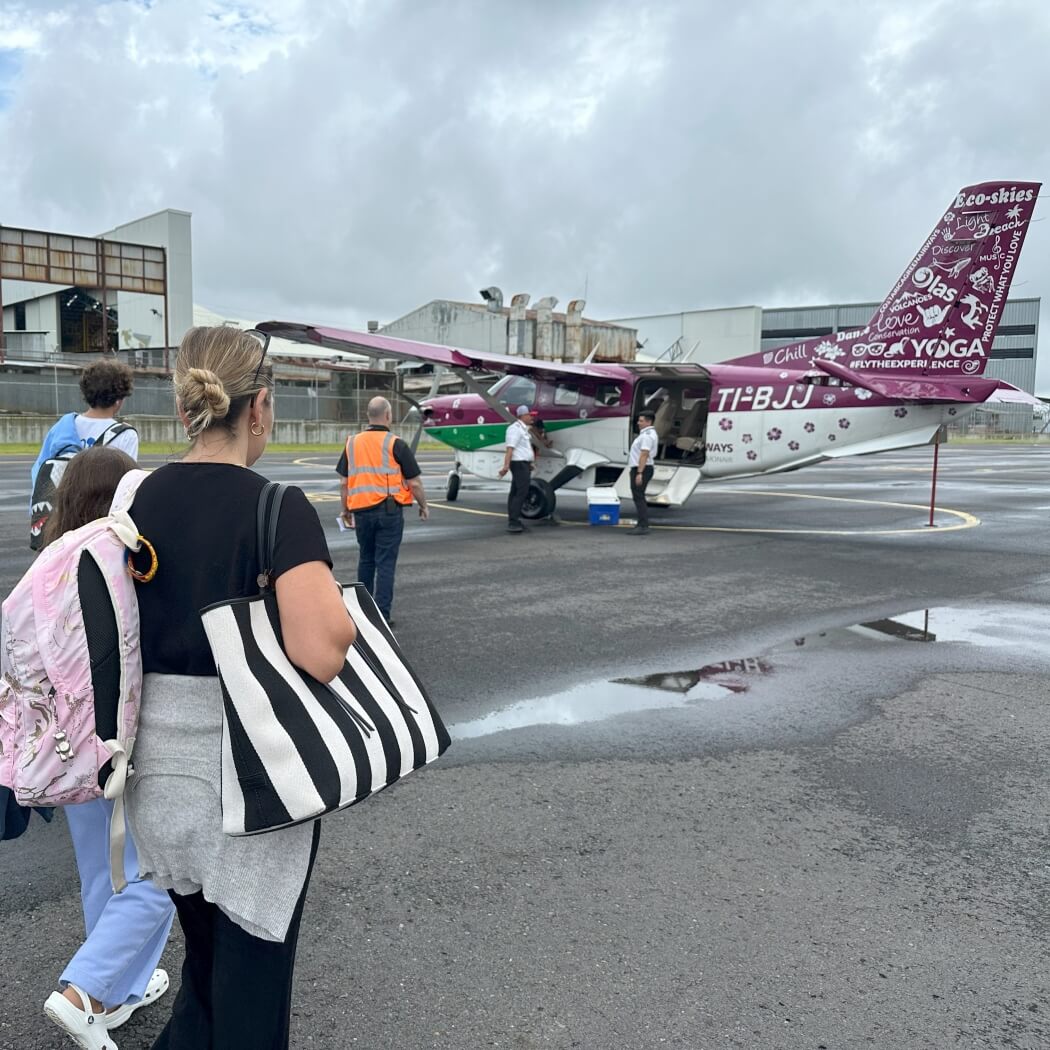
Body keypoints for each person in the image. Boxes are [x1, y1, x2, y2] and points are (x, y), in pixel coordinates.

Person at [125, 326, 358, 1049]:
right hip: (248, 784)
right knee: (252, 996)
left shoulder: (138, 499)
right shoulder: (276, 506)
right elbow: (322, 649)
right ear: (257, 409)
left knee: (205, 972)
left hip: (156, 780)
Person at [29, 447, 176, 1050]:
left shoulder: (47, 567)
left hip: (62, 745)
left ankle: (120, 988)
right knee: (160, 875)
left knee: (102, 871)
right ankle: (84, 991)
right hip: (123, 743)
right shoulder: (119, 562)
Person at [337, 396, 428, 627]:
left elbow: (343, 482)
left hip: (361, 512)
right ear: (388, 415)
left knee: (366, 560)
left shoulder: (352, 443)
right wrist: (423, 505)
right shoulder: (395, 443)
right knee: (385, 563)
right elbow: (415, 483)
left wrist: (345, 509)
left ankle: (363, 614)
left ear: (369, 415)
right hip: (389, 512)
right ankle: (382, 615)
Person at [29, 359, 139, 547]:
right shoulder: (125, 435)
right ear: (119, 400)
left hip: (63, 516)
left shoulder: (62, 427)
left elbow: (39, 472)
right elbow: (126, 486)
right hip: (99, 522)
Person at [498, 404, 535, 533]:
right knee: (521, 492)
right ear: (522, 416)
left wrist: (529, 463)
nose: (531, 417)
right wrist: (506, 466)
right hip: (518, 464)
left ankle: (514, 520)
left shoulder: (524, 429)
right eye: (530, 415)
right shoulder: (515, 429)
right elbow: (510, 448)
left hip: (523, 463)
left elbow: (523, 449)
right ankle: (513, 522)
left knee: (515, 492)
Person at [627, 410, 658, 536]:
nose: (638, 423)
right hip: (643, 468)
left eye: (641, 421)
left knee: (639, 496)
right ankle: (641, 524)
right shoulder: (649, 433)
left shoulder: (646, 436)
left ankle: (643, 525)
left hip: (642, 468)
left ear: (648, 422)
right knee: (638, 496)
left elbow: (644, 454)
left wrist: (639, 473)